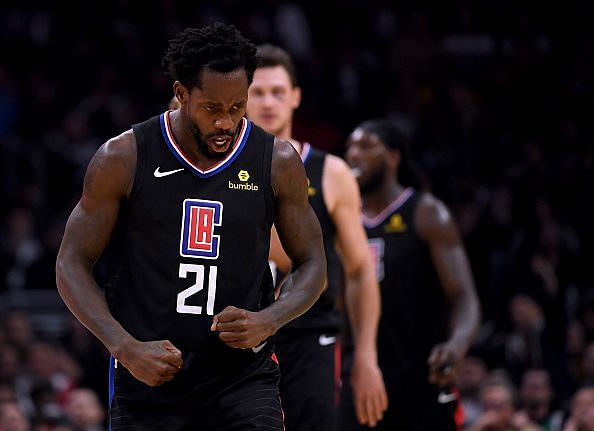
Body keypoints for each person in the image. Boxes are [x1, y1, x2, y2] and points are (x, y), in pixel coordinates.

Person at [55, 23, 326, 431]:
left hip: (242, 379)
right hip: (149, 376)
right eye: (212, 108)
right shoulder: (123, 156)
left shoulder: (277, 161)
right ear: (182, 94)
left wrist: (270, 319)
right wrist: (123, 346)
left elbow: (314, 264)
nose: (226, 123)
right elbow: (70, 263)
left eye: (237, 106)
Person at [246, 44, 387, 430]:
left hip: (310, 334)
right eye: (257, 92)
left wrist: (366, 357)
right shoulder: (223, 167)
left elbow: (360, 271)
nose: (268, 102)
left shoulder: (331, 171)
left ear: (296, 97)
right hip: (238, 333)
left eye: (278, 92)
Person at [343, 118, 481, 430]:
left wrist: (456, 345)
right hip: (359, 376)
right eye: (350, 146)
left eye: (366, 146)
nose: (353, 154)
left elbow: (464, 297)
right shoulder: (343, 218)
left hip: (420, 376)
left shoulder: (427, 214)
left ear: (394, 157)